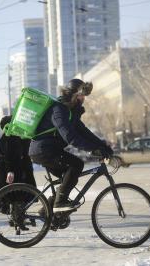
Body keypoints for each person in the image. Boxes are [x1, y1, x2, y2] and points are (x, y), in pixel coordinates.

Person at [29, 79, 113, 212]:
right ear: (73, 95)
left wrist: (102, 145)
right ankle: (59, 203)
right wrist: (93, 149)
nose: (83, 98)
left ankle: (47, 210)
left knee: (69, 178)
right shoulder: (58, 110)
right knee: (76, 165)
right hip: (43, 150)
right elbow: (71, 137)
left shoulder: (70, 112)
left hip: (49, 149)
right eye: (81, 95)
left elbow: (84, 132)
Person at [0, 115, 37, 230]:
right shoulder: (11, 136)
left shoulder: (12, 135)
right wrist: (10, 171)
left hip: (13, 170)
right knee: (14, 196)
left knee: (11, 197)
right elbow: (9, 156)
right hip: (12, 171)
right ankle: (13, 220)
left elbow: (0, 154)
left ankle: (13, 219)